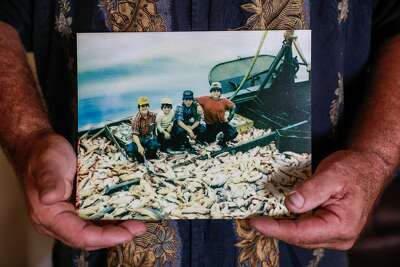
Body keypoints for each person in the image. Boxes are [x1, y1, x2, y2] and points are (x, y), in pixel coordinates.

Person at [0, 0, 399, 266]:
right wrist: (28, 136)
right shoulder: (178, 111)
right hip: (100, 246)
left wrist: (376, 155)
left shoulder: (218, 104)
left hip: (300, 248)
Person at [197, 81, 238, 148]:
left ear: (220, 92)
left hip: (221, 123)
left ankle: (221, 142)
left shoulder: (224, 100)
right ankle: (213, 139)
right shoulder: (205, 99)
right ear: (211, 92)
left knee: (234, 133)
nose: (216, 92)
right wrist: (198, 106)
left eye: (218, 91)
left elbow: (233, 107)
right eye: (214, 91)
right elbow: (194, 100)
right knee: (208, 139)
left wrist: (229, 118)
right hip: (210, 125)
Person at [127, 96, 160, 162]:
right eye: (142, 106)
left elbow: (160, 117)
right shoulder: (136, 119)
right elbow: (135, 135)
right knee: (133, 150)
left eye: (146, 105)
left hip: (147, 137)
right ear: (139, 107)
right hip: (137, 138)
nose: (145, 107)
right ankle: (132, 153)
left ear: (148, 106)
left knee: (155, 145)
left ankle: (150, 155)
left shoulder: (153, 115)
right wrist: (139, 146)